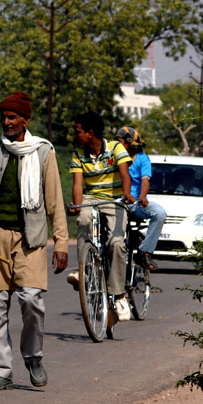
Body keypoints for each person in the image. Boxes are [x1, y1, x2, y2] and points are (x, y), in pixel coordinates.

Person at [0, 91, 68, 391]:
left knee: (31, 300)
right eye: (4, 117)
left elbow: (54, 200)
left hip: (31, 239)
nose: (6, 122)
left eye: (12, 117)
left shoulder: (43, 152)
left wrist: (61, 242)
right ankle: (2, 370)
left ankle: (33, 356)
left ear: (26, 120)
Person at [66, 111, 133, 322]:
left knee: (117, 243)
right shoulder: (78, 153)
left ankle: (119, 295)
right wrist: (77, 205)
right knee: (84, 219)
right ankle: (84, 270)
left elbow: (125, 174)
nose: (74, 135)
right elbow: (78, 184)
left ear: (90, 133)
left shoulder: (116, 148)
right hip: (91, 198)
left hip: (114, 200)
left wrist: (126, 194)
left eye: (77, 132)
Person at [116, 126, 166, 271]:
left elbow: (145, 180)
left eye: (120, 142)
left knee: (159, 213)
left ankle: (144, 252)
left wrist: (142, 197)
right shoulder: (115, 157)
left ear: (128, 143)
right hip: (117, 202)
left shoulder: (142, 158)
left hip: (135, 203)